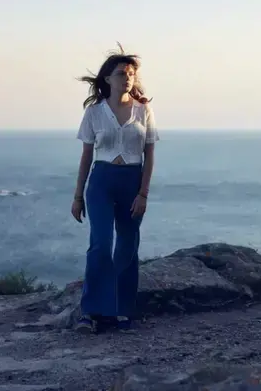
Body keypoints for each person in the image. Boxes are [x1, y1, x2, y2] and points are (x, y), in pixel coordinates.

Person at [70, 45, 159, 333]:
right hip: (101, 181)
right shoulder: (94, 112)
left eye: (132, 73)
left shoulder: (144, 110)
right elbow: (86, 156)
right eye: (122, 73)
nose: (128, 78)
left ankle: (120, 310)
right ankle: (91, 311)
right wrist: (77, 196)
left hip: (132, 182)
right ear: (108, 78)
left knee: (127, 245)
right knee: (100, 243)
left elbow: (150, 155)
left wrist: (143, 194)